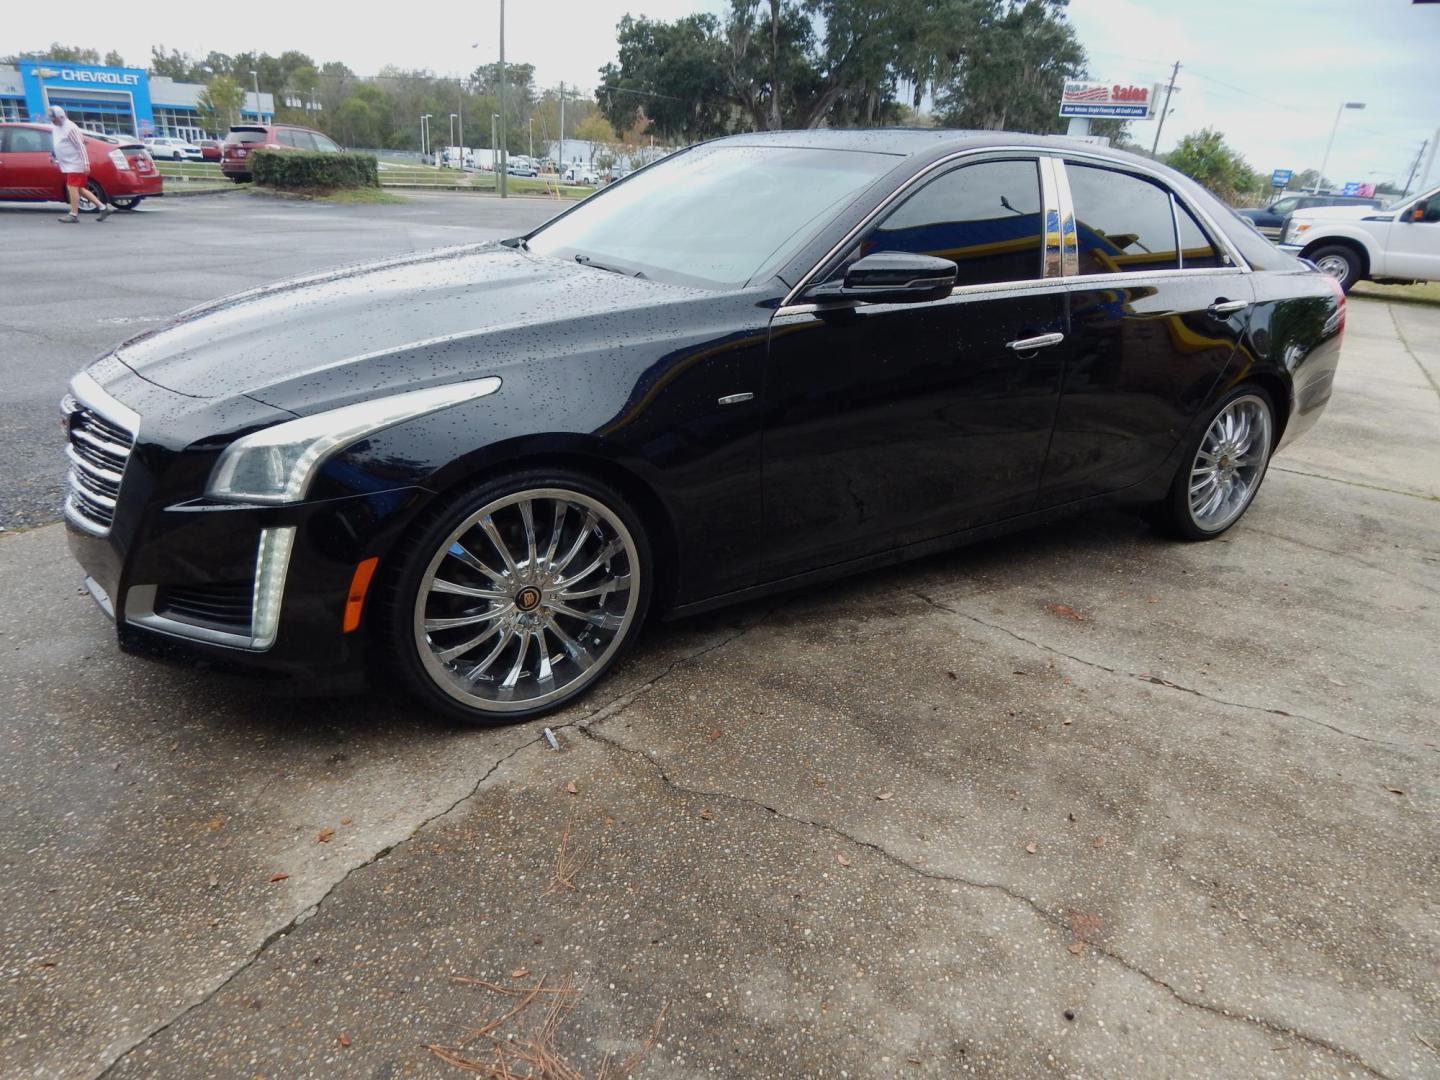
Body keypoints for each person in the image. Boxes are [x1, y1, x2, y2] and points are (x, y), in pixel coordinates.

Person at [48, 105, 113, 223]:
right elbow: (56, 143)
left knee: (71, 187)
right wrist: (54, 155)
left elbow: (80, 146)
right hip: (69, 163)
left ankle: (73, 214)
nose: (54, 122)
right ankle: (103, 208)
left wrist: (86, 163)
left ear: (61, 117)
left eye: (55, 119)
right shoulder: (56, 127)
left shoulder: (71, 128)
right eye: (52, 120)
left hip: (76, 163)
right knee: (80, 189)